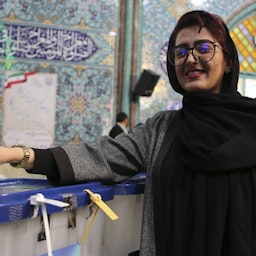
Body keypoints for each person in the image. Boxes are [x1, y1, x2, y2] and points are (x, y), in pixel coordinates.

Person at [0, 10, 255, 256]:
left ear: (228, 60)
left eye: (203, 48)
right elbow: (101, 157)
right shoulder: (161, 129)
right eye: (181, 51)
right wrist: (15, 154)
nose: (190, 59)